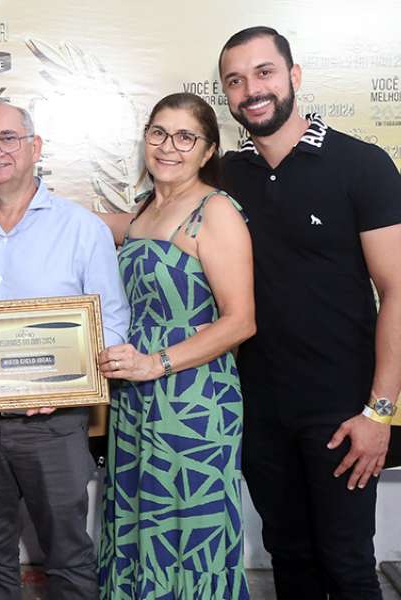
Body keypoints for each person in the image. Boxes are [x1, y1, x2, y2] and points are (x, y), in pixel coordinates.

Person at [219, 26, 401, 599]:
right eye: (235, 80)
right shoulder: (224, 176)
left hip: (344, 410)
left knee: (347, 566)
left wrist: (380, 413)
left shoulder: (361, 164)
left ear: (294, 76)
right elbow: (144, 222)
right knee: (289, 558)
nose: (252, 90)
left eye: (264, 72)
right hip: (258, 408)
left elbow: (397, 290)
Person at [0, 100, 130, 600]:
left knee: (68, 553)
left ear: (35, 147)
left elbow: (113, 324)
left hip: (54, 423)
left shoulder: (81, 228)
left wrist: (64, 387)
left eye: (7, 138)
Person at [95, 93, 254, 599]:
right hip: (136, 399)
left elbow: (241, 322)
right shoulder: (143, 212)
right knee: (138, 523)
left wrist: (155, 364)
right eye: (159, 133)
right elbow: (82, 225)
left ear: (208, 151)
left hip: (193, 404)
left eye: (186, 137)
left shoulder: (215, 211)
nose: (169, 146)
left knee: (189, 531)